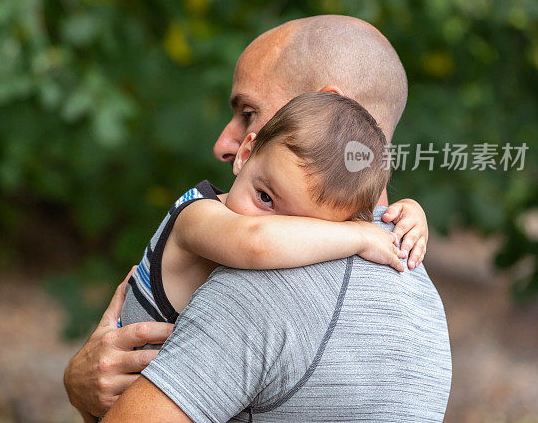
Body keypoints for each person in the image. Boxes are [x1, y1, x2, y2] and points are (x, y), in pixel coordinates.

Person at [65, 15, 451, 421]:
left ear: (334, 108)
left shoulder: (262, 283)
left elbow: (258, 242)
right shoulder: (421, 298)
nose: (225, 144)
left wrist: (80, 393)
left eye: (249, 112)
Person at [120, 92, 425, 333]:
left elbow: (376, 224)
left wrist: (406, 216)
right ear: (245, 154)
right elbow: (257, 241)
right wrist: (358, 235)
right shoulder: (196, 215)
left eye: (302, 225)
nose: (277, 228)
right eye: (265, 197)